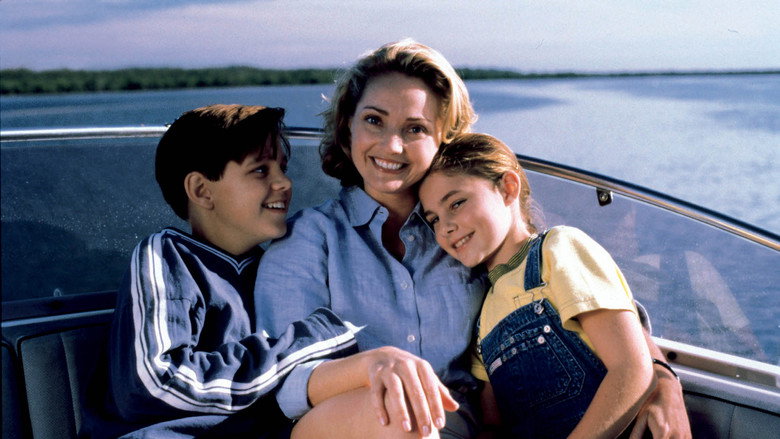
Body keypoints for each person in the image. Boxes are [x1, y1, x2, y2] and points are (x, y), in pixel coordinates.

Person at [255, 40, 690, 439]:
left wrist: (661, 379)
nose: (392, 145)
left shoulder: (465, 234)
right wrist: (376, 365)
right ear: (347, 127)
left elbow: (589, 300)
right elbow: (285, 383)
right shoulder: (307, 241)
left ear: (442, 139)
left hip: (457, 429)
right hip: (349, 427)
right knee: (397, 411)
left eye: (415, 128)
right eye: (374, 120)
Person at [81, 104, 360, 439]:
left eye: (283, 169)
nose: (284, 183)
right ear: (202, 190)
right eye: (261, 170)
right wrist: (309, 340)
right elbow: (159, 382)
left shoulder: (278, 268)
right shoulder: (168, 256)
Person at [419, 133, 657, 438]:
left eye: (456, 203)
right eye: (434, 220)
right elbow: (493, 425)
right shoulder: (483, 316)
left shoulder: (557, 251)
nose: (445, 227)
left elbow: (632, 369)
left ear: (508, 188)